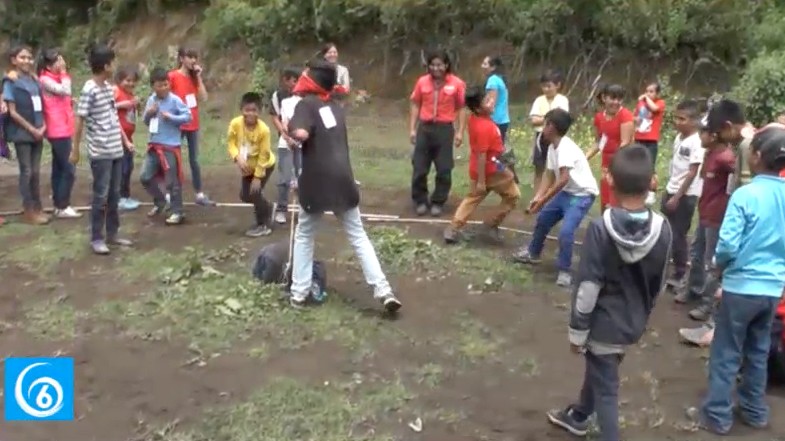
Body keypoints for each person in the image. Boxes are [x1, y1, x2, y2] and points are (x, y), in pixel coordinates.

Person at [546, 144, 672, 441]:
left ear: (610, 180)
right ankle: (579, 415)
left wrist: (577, 332)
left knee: (607, 390)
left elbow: (589, 286)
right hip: (633, 320)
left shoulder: (600, 230)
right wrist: (643, 316)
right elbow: (660, 283)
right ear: (653, 181)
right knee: (602, 367)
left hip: (603, 324)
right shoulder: (664, 229)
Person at [687, 124, 785, 436]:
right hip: (773, 289)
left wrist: (719, 266)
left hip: (741, 287)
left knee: (726, 351)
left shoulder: (745, 195)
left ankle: (717, 415)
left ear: (756, 157)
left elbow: (727, 245)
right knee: (757, 352)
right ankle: (755, 411)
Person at [286, 60, 401, 312]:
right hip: (343, 180)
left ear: (312, 80)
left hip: (316, 181)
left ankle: (298, 292)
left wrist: (293, 132)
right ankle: (383, 289)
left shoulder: (306, 105)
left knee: (305, 234)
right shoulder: (336, 109)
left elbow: (302, 134)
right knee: (359, 236)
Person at [679, 100, 755, 345]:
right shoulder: (745, 144)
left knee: (720, 265)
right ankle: (712, 321)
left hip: (732, 219)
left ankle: (713, 325)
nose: (718, 137)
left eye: (718, 132)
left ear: (728, 126)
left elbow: (743, 191)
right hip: (721, 215)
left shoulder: (743, 147)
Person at [513, 108, 599, 287]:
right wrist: (538, 197)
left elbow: (563, 179)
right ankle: (533, 253)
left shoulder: (565, 148)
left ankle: (565, 270)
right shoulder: (553, 147)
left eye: (546, 124)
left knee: (566, 231)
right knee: (544, 218)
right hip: (568, 192)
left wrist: (543, 201)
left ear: (552, 127)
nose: (543, 128)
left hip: (581, 195)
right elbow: (549, 175)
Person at [71, 44, 133, 255]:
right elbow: (80, 119)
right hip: (100, 152)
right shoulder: (89, 89)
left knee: (114, 195)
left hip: (116, 149)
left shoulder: (108, 88)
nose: (115, 66)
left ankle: (113, 234)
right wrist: (75, 149)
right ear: (105, 65)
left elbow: (113, 118)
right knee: (101, 196)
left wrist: (124, 141)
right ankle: (96, 238)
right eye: (112, 62)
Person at [443, 85, 519, 244]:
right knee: (513, 195)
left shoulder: (477, 119)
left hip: (479, 168)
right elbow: (483, 155)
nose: (491, 102)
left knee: (472, 198)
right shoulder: (484, 127)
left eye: (489, 98)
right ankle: (490, 224)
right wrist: (482, 182)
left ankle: (453, 228)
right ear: (478, 108)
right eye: (486, 100)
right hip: (491, 170)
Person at [409, 50, 466, 217]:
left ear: (446, 65)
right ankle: (420, 200)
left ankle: (438, 202)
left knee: (444, 169)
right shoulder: (422, 82)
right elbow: (415, 104)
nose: (436, 68)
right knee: (419, 167)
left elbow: (462, 107)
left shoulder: (457, 84)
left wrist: (460, 132)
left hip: (444, 130)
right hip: (425, 129)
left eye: (440, 65)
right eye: (433, 65)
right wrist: (412, 128)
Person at [139, 67, 193, 225]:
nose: (163, 88)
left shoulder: (175, 100)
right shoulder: (151, 100)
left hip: (170, 147)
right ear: (152, 86)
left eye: (165, 84)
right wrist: (149, 113)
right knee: (145, 177)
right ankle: (160, 201)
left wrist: (172, 117)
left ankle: (177, 211)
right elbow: (146, 121)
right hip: (154, 146)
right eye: (159, 85)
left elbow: (187, 116)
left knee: (172, 181)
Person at [660, 100, 703, 292]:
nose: (677, 122)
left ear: (694, 121)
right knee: (665, 231)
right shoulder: (679, 137)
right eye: (676, 117)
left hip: (686, 194)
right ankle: (666, 268)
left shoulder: (698, 141)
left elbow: (692, 171)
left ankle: (679, 272)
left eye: (682, 119)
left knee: (678, 234)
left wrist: (677, 196)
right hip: (671, 188)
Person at [3, 45, 49, 225]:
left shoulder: (35, 80)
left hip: (38, 132)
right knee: (27, 171)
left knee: (36, 172)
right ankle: (29, 209)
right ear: (14, 60)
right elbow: (12, 112)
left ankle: (37, 207)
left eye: (29, 57)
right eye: (22, 57)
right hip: (22, 133)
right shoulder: (10, 81)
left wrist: (43, 126)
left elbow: (42, 105)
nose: (27, 61)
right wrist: (32, 129)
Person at [168, 47, 214, 206]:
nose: (193, 60)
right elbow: (166, 97)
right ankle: (170, 193)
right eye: (189, 57)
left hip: (193, 124)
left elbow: (204, 97)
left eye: (195, 57)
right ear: (181, 59)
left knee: (194, 160)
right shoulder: (173, 76)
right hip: (177, 124)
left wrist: (199, 78)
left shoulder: (194, 79)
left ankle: (199, 194)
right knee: (173, 159)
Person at [38, 48, 80, 219]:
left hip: (63, 126)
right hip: (57, 129)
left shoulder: (52, 79)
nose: (62, 63)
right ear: (49, 64)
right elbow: (64, 90)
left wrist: (70, 101)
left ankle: (59, 203)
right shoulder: (45, 79)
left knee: (59, 168)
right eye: (58, 60)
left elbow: (61, 96)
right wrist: (64, 74)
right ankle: (63, 205)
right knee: (69, 168)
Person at [227, 92, 276, 237]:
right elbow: (231, 143)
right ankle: (268, 207)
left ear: (259, 112)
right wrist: (237, 157)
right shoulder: (235, 124)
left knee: (254, 193)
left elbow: (264, 155)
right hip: (247, 166)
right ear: (241, 110)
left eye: (254, 110)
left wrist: (258, 177)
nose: (250, 113)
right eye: (247, 110)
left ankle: (264, 224)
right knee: (245, 195)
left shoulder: (264, 130)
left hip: (264, 165)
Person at [586, 84, 635, 211]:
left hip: (622, 163)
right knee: (605, 202)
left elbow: (625, 143)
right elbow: (599, 142)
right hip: (606, 164)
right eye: (613, 98)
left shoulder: (625, 115)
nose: (616, 102)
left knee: (616, 202)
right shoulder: (599, 117)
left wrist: (612, 168)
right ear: (604, 98)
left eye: (619, 99)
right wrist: (584, 158)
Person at [269, 67, 302, 224]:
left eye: (297, 80)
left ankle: (304, 209)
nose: (295, 84)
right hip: (286, 141)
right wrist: (284, 133)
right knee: (284, 178)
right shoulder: (279, 97)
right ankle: (281, 209)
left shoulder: (304, 97)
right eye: (292, 80)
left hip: (302, 143)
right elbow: (276, 117)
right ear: (285, 80)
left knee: (302, 177)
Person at [529, 69, 569, 193]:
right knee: (539, 167)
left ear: (557, 85)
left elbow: (561, 120)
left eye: (549, 86)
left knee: (556, 167)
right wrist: (548, 118)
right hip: (541, 137)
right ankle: (537, 196)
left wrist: (544, 119)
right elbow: (533, 120)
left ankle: (552, 194)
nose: (546, 89)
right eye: (544, 86)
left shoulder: (562, 100)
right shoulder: (539, 100)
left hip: (557, 138)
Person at [634, 82, 666, 205]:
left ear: (657, 93)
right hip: (639, 138)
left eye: (651, 91)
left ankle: (652, 191)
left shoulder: (660, 103)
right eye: (647, 91)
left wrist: (646, 98)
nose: (648, 93)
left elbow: (655, 109)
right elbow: (635, 117)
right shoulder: (641, 103)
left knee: (650, 166)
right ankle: (640, 190)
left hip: (651, 140)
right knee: (638, 165)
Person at [114, 65, 141, 211]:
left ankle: (125, 195)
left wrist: (137, 105)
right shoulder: (116, 91)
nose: (130, 84)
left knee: (128, 167)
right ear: (119, 80)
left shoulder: (131, 95)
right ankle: (119, 197)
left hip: (128, 137)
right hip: (118, 136)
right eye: (127, 80)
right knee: (122, 167)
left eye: (133, 81)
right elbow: (107, 107)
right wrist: (121, 104)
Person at [480, 56, 510, 143]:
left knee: (492, 151)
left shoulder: (492, 80)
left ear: (493, 67)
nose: (482, 66)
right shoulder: (500, 79)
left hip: (495, 120)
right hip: (503, 120)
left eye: (485, 64)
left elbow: (490, 105)